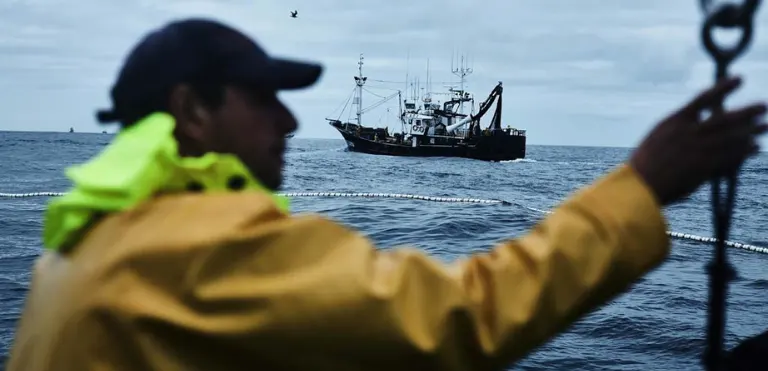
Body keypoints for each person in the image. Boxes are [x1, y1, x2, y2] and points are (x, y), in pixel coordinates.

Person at [6, 17, 767, 371]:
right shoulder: (195, 249)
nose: (291, 117)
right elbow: (459, 316)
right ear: (192, 108)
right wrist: (638, 189)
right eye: (262, 96)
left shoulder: (81, 245)